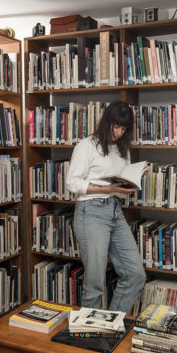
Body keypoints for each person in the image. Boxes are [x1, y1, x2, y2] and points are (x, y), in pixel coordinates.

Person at [66, 101, 146, 314]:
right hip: (90, 211)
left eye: (123, 129)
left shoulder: (122, 149)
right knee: (95, 281)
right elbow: (72, 183)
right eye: (115, 126)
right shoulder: (88, 145)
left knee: (135, 275)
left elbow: (117, 184)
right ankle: (87, 336)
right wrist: (106, 188)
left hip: (114, 209)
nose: (119, 132)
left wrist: (129, 183)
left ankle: (110, 324)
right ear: (106, 122)